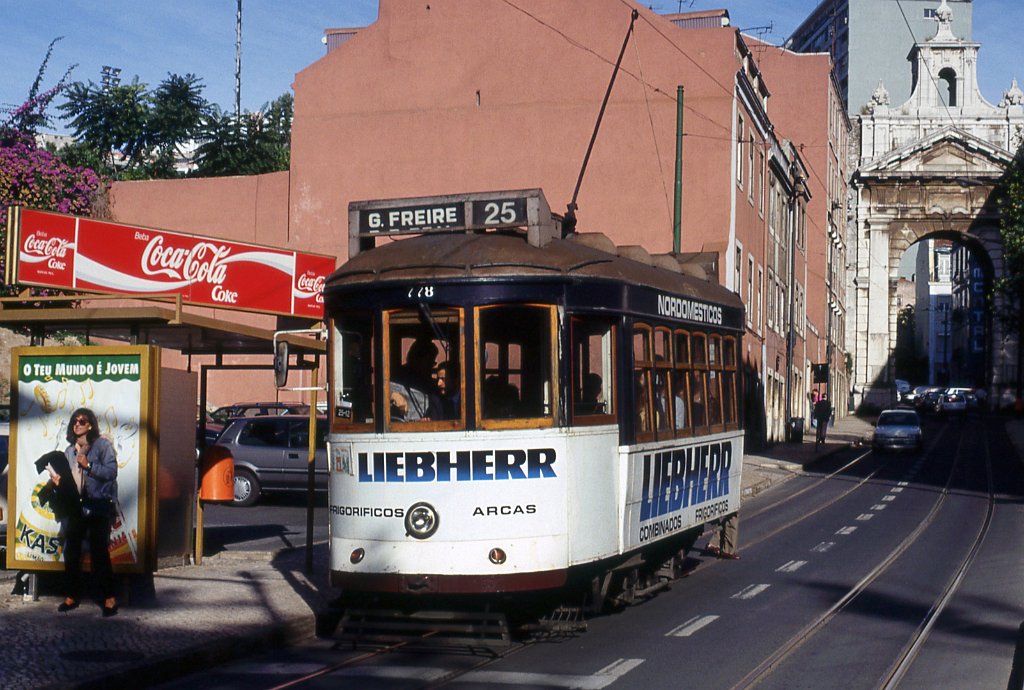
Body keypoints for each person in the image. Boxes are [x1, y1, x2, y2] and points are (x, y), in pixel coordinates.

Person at [48, 407, 119, 616]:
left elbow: (111, 472)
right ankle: (71, 596)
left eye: (82, 421)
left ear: (90, 425)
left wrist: (89, 465)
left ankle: (109, 598)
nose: (77, 425)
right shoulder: (69, 451)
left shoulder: (102, 446)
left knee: (99, 552)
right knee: (71, 552)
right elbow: (69, 481)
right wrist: (57, 482)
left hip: (97, 504)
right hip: (76, 506)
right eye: (74, 422)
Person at [390, 337, 444, 421]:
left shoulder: (432, 384)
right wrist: (393, 395)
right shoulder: (398, 377)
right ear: (416, 359)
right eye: (429, 362)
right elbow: (380, 391)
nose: (431, 366)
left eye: (433, 363)